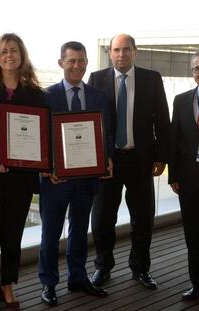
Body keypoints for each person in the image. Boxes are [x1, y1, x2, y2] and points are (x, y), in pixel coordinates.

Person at [88, 33, 170, 289]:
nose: (121, 54)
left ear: (135, 52)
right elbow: (91, 121)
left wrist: (161, 156)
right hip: (108, 162)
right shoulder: (97, 79)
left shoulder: (151, 79)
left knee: (143, 219)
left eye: (126, 50)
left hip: (141, 160)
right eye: (116, 50)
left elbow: (162, 121)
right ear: (110, 53)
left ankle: (141, 268)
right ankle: (103, 267)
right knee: (102, 219)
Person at [0, 33, 44, 310]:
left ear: (22, 55)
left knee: (13, 232)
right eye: (3, 51)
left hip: (21, 176)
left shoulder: (35, 94)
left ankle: (8, 284)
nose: (9, 55)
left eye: (14, 50)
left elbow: (42, 133)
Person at [38, 41, 113, 306]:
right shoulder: (46, 96)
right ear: (61, 63)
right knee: (50, 234)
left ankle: (78, 278)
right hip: (56, 179)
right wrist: (48, 169)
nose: (77, 66)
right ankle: (48, 283)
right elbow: (40, 139)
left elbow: (107, 132)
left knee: (80, 231)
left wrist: (107, 158)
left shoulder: (98, 96)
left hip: (87, 178)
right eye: (71, 61)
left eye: (81, 61)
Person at [168, 50, 199, 301]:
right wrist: (173, 176)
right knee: (192, 234)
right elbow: (174, 140)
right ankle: (197, 284)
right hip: (189, 180)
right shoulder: (181, 100)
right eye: (196, 68)